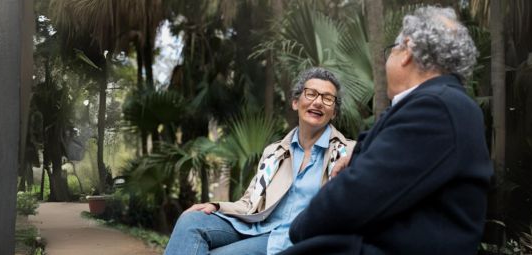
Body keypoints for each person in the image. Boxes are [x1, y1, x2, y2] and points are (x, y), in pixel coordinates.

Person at [282, 6, 492, 255]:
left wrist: (299, 228)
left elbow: (356, 198)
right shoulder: (442, 104)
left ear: (407, 51)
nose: (386, 61)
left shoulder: (436, 107)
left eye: (391, 50)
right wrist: (358, 155)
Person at [164, 67, 357, 255]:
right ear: (295, 103)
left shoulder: (349, 152)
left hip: (298, 238)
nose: (318, 102)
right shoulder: (274, 152)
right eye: (311, 93)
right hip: (258, 226)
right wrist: (216, 206)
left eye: (327, 98)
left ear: (334, 113)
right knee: (191, 221)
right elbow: (250, 202)